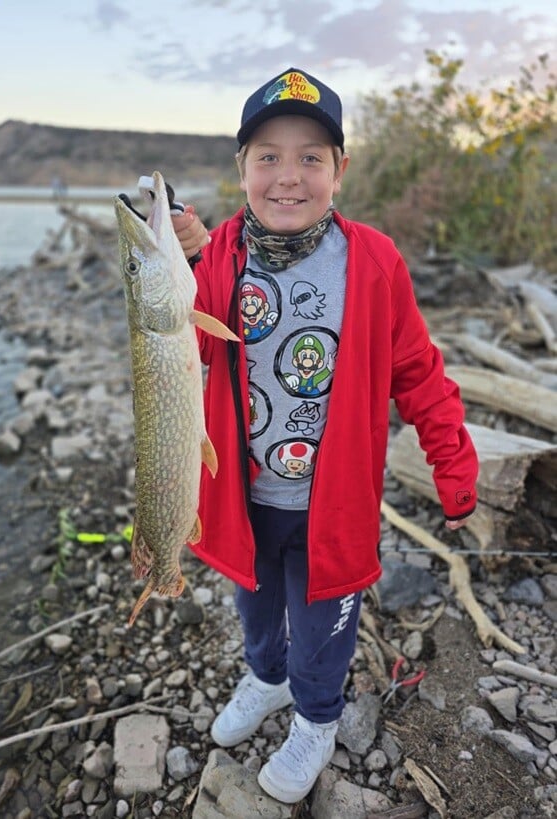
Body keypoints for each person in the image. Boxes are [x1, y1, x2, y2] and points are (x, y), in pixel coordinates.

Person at [171, 67, 478, 804]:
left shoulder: (373, 259)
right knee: (254, 604)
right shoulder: (220, 258)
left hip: (331, 504)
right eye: (268, 156)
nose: (288, 175)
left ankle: (316, 714)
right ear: (241, 168)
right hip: (245, 497)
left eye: (311, 157)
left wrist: (455, 469)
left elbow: (420, 371)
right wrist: (180, 254)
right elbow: (190, 345)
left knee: (323, 622)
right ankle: (267, 680)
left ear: (340, 170)